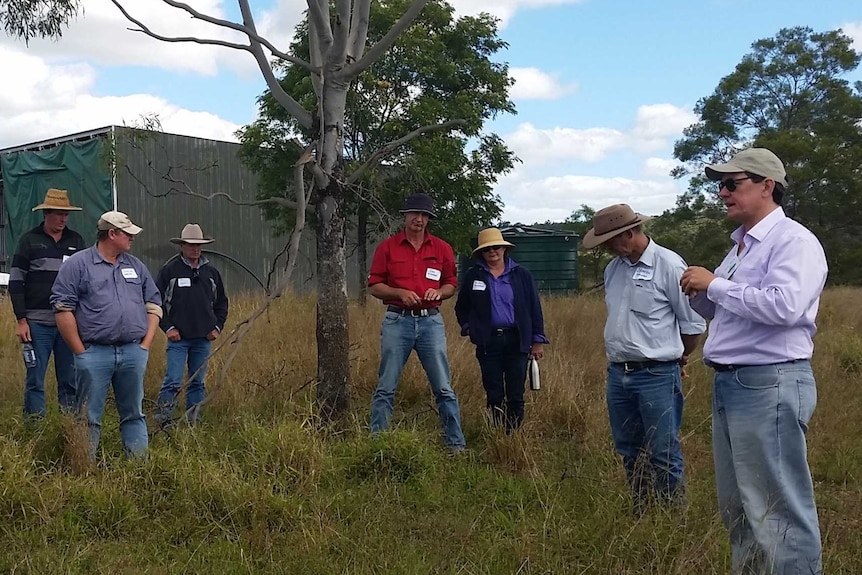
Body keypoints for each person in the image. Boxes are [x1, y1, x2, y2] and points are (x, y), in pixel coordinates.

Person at [681, 148, 826, 574]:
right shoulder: (741, 247)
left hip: (769, 383)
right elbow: (728, 313)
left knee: (778, 509)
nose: (722, 192)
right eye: (719, 185)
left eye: (732, 183)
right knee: (740, 507)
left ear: (767, 185)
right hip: (733, 383)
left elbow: (786, 308)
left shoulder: (793, 241)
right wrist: (702, 295)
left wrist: (717, 286)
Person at [582, 203, 706, 513]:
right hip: (618, 374)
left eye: (611, 241)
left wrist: (680, 359)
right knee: (629, 448)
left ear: (630, 232)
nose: (609, 249)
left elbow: (692, 325)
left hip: (657, 374)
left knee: (663, 450)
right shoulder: (613, 270)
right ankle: (643, 511)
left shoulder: (670, 265)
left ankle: (672, 519)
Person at [51, 211, 162, 458]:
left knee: (134, 413)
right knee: (88, 415)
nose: (132, 238)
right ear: (112, 234)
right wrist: (80, 353)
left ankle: (139, 468)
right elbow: (62, 308)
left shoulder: (135, 266)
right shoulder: (78, 264)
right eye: (127, 233)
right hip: (94, 352)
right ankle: (84, 467)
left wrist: (145, 345)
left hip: (133, 351)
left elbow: (154, 305)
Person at [367, 192, 466, 450]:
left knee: (443, 386)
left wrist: (439, 292)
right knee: (386, 386)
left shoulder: (442, 248)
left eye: (424, 215)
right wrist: (399, 293)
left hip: (430, 322)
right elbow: (375, 286)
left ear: (429, 219)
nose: (419, 220)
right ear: (405, 216)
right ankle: (378, 444)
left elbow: (451, 284)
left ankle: (455, 444)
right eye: (414, 214)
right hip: (397, 320)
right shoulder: (387, 247)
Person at [454, 227, 548, 432]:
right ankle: (496, 430)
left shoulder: (521, 275)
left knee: (516, 391)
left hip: (517, 339)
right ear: (481, 253)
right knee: (494, 390)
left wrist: (537, 340)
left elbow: (534, 307)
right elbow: (462, 307)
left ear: (504, 249)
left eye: (496, 247)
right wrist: (471, 329)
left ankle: (513, 433)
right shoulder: (474, 276)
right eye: (487, 249)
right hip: (488, 341)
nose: (492, 252)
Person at [10, 189, 87, 417]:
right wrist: (21, 320)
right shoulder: (29, 241)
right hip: (36, 324)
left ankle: (70, 426)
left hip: (68, 324)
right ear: (46, 214)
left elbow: (85, 281)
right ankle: (35, 426)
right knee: (35, 378)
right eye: (58, 214)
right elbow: (16, 281)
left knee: (70, 377)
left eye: (66, 214)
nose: (63, 219)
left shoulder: (76, 241)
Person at [154, 224, 229, 426]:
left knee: (198, 382)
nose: (195, 249)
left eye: (198, 245)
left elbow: (222, 303)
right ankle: (163, 421)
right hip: (178, 339)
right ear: (182, 246)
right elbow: (156, 301)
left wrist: (217, 328)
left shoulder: (211, 273)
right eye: (190, 245)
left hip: (203, 339)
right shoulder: (170, 271)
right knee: (173, 381)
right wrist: (168, 328)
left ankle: (193, 420)